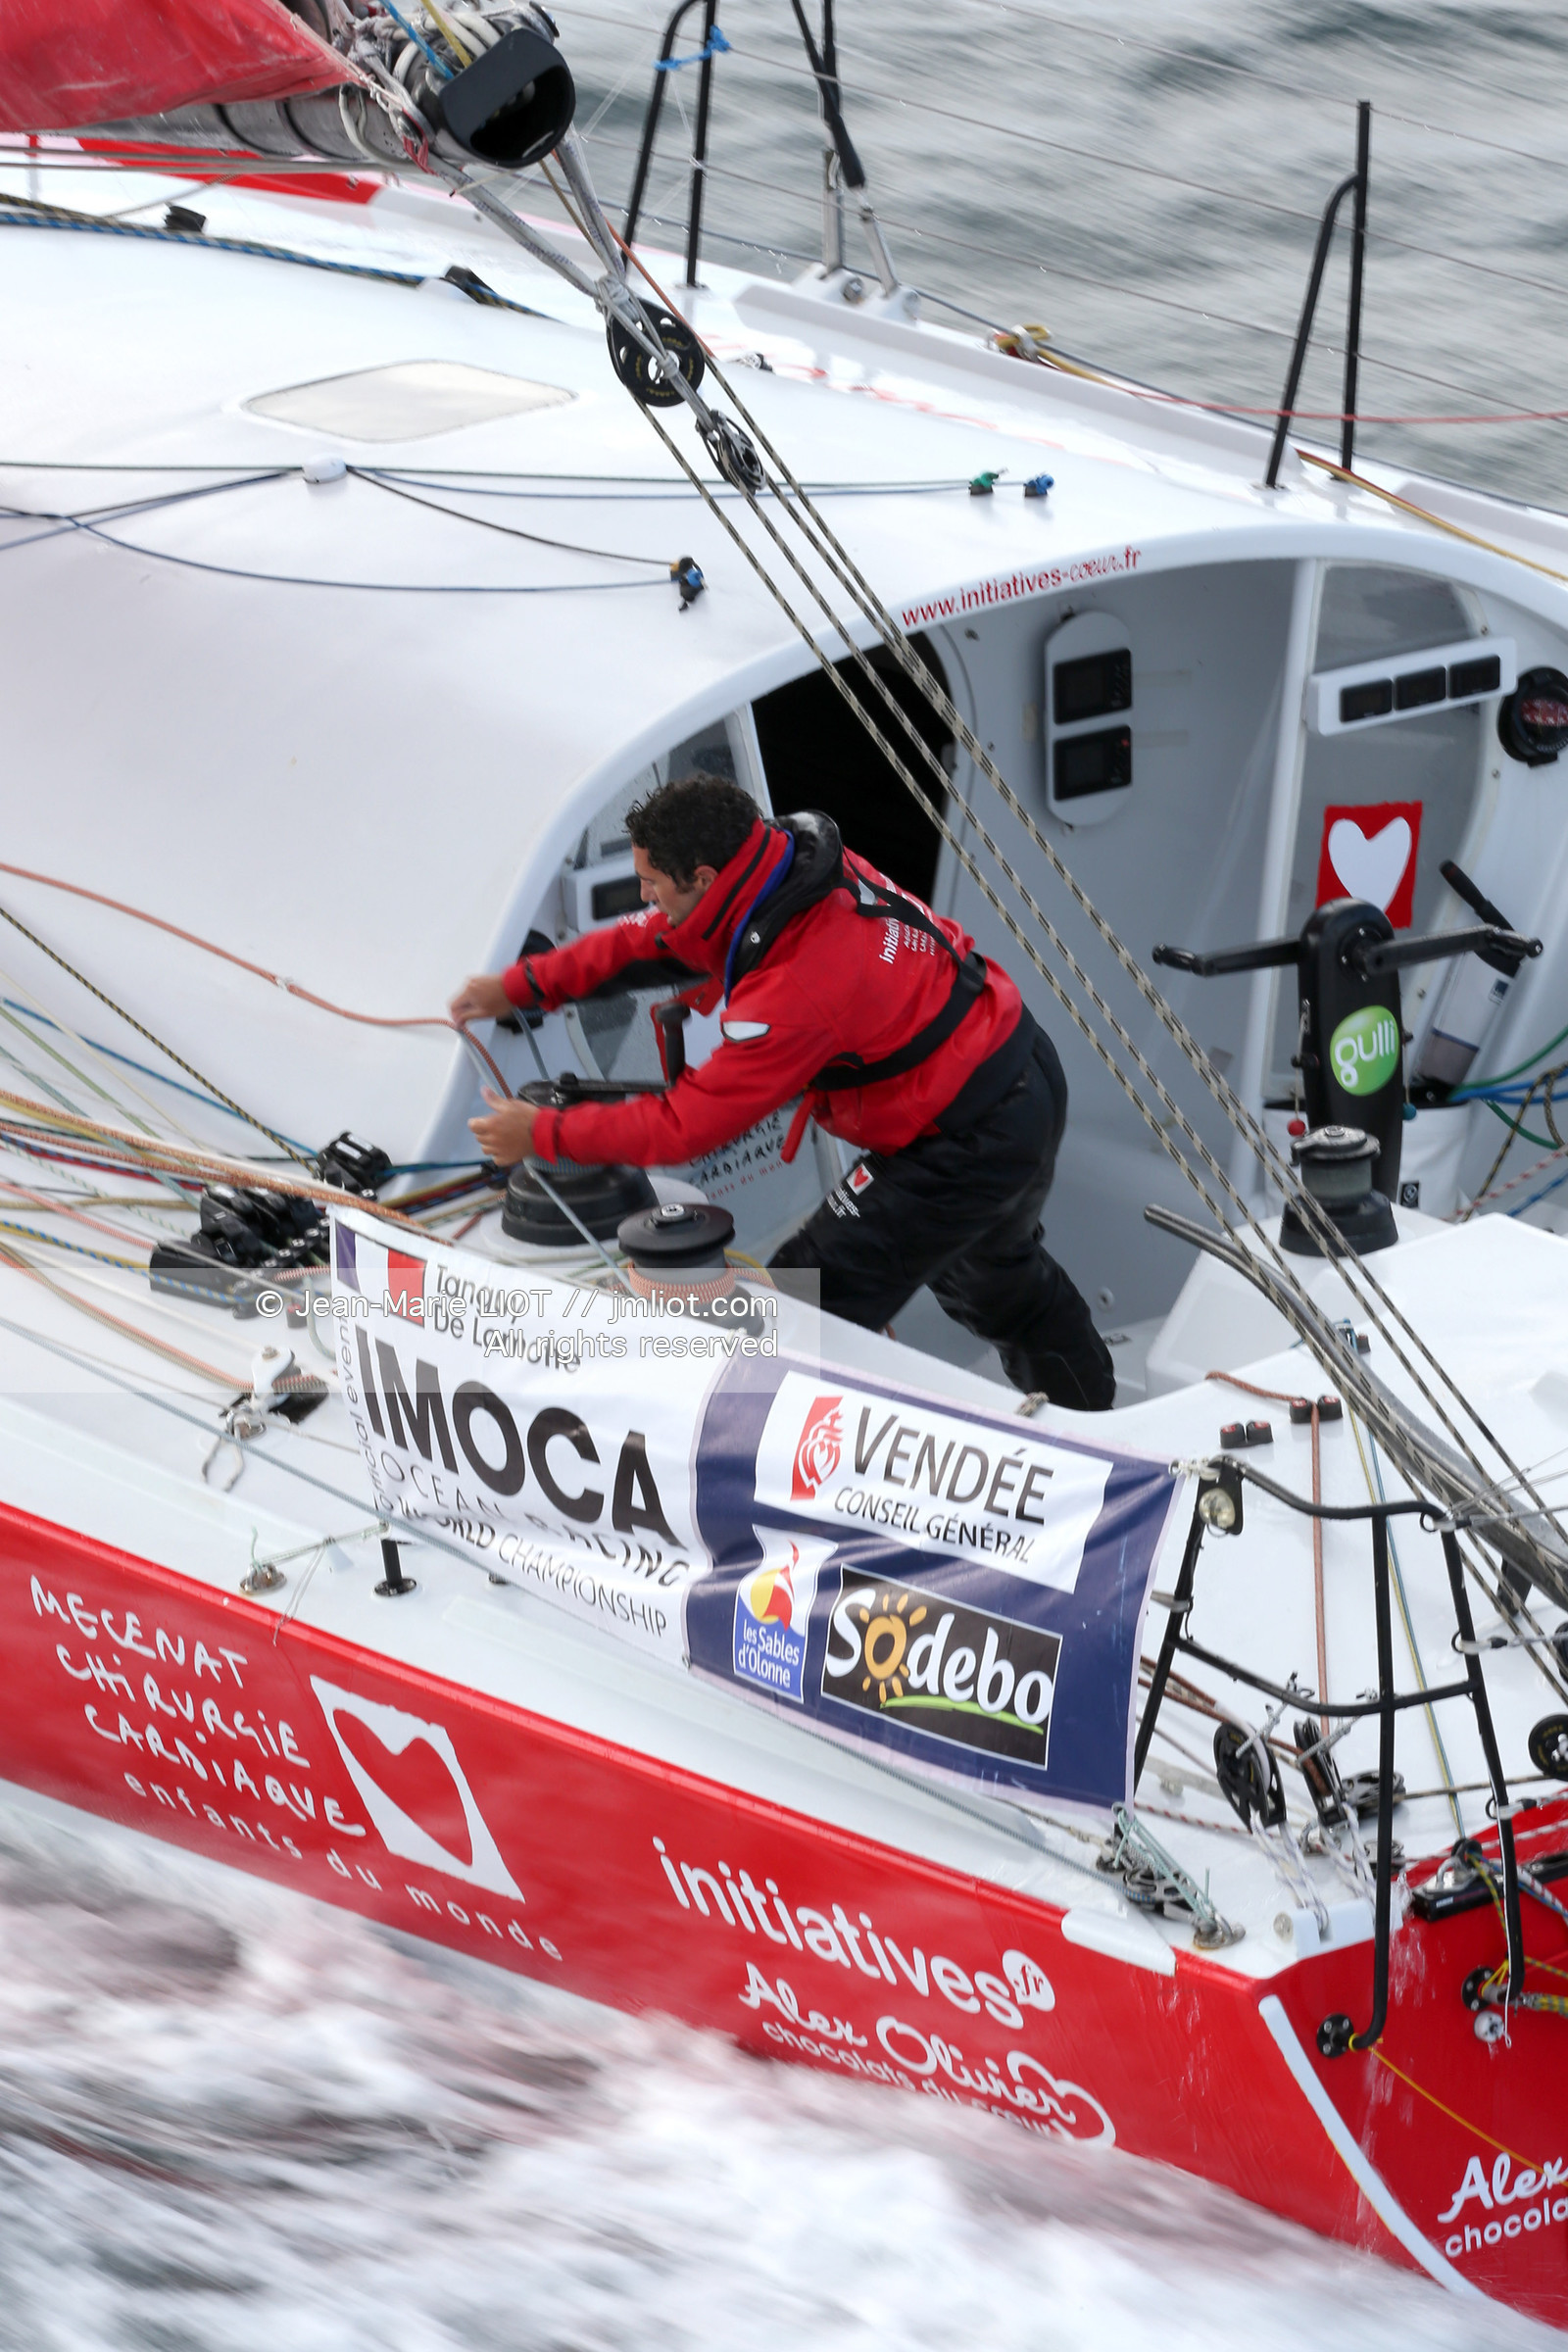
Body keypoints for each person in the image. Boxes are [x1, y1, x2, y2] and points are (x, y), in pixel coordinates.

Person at [450, 774, 1114, 1409]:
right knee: (994, 1276)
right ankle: (1094, 1419)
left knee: (801, 1309)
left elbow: (683, 1127)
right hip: (1015, 1066)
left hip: (970, 1133)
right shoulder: (785, 868)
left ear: (703, 879)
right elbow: (651, 940)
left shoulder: (799, 986)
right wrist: (521, 986)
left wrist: (539, 1134)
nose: (648, 900)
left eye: (653, 886)